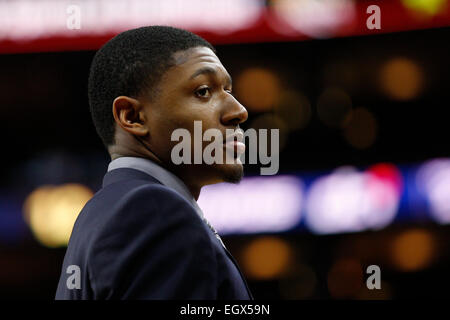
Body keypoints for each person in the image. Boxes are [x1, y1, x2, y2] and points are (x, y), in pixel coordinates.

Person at [55, 26, 252, 299]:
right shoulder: (156, 211)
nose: (238, 111)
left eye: (228, 90)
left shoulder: (98, 212)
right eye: (204, 91)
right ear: (132, 117)